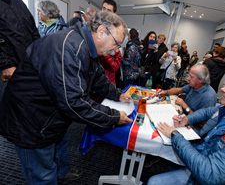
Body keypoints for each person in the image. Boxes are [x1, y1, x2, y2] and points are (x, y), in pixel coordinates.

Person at [0, 11, 133, 185]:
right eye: (117, 44)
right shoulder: (68, 47)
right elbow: (74, 102)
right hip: (31, 120)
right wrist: (113, 117)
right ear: (101, 31)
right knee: (42, 174)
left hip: (51, 115)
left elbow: (98, 78)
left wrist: (117, 94)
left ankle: (62, 173)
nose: (116, 50)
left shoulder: (86, 45)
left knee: (59, 145)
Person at [0, 0, 40, 101]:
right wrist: (5, 64)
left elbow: (32, 29)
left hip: (25, 64)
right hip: (7, 69)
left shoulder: (16, 0)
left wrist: (38, 53)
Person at [99, 0, 122, 86]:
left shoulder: (115, 32)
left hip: (107, 79)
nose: (105, 12)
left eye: (108, 10)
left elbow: (114, 66)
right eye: (103, 9)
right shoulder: (93, 27)